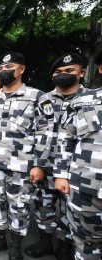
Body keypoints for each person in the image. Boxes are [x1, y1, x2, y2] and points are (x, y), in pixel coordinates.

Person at [0, 52, 54, 259]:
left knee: (19, 206)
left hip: (22, 166)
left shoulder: (37, 97)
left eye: (9, 67)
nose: (4, 71)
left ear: (22, 69)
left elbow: (45, 134)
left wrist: (39, 165)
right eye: (1, 69)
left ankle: (14, 246)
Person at [25, 53, 88, 259]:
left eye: (69, 71)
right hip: (46, 165)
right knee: (43, 205)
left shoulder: (91, 101)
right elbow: (34, 134)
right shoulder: (43, 100)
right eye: (59, 72)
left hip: (77, 168)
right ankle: (45, 242)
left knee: (71, 210)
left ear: (81, 73)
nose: (64, 75)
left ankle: (65, 246)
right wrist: (37, 164)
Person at [54, 52, 102, 260]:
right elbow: (67, 139)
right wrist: (62, 174)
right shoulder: (84, 101)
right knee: (86, 244)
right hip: (86, 187)